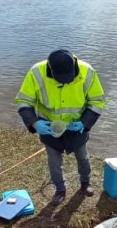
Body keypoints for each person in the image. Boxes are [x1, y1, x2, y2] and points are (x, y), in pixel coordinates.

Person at [15, 49, 106, 205]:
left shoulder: (87, 71)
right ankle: (60, 189)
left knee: (83, 157)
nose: (64, 82)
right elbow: (24, 102)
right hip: (50, 127)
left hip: (76, 127)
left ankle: (85, 183)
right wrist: (35, 123)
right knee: (54, 161)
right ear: (51, 70)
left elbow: (97, 101)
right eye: (61, 79)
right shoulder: (36, 72)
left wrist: (84, 122)